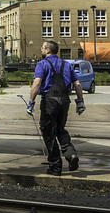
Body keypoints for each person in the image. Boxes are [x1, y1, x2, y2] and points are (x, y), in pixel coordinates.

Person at [26, 40, 85, 175]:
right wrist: (80, 101)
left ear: (48, 50)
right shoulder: (67, 65)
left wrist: (31, 102)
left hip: (49, 102)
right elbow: (77, 84)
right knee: (60, 129)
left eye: (42, 48)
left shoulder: (42, 65)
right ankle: (71, 155)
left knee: (48, 133)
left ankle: (55, 167)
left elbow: (37, 83)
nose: (41, 50)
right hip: (64, 101)